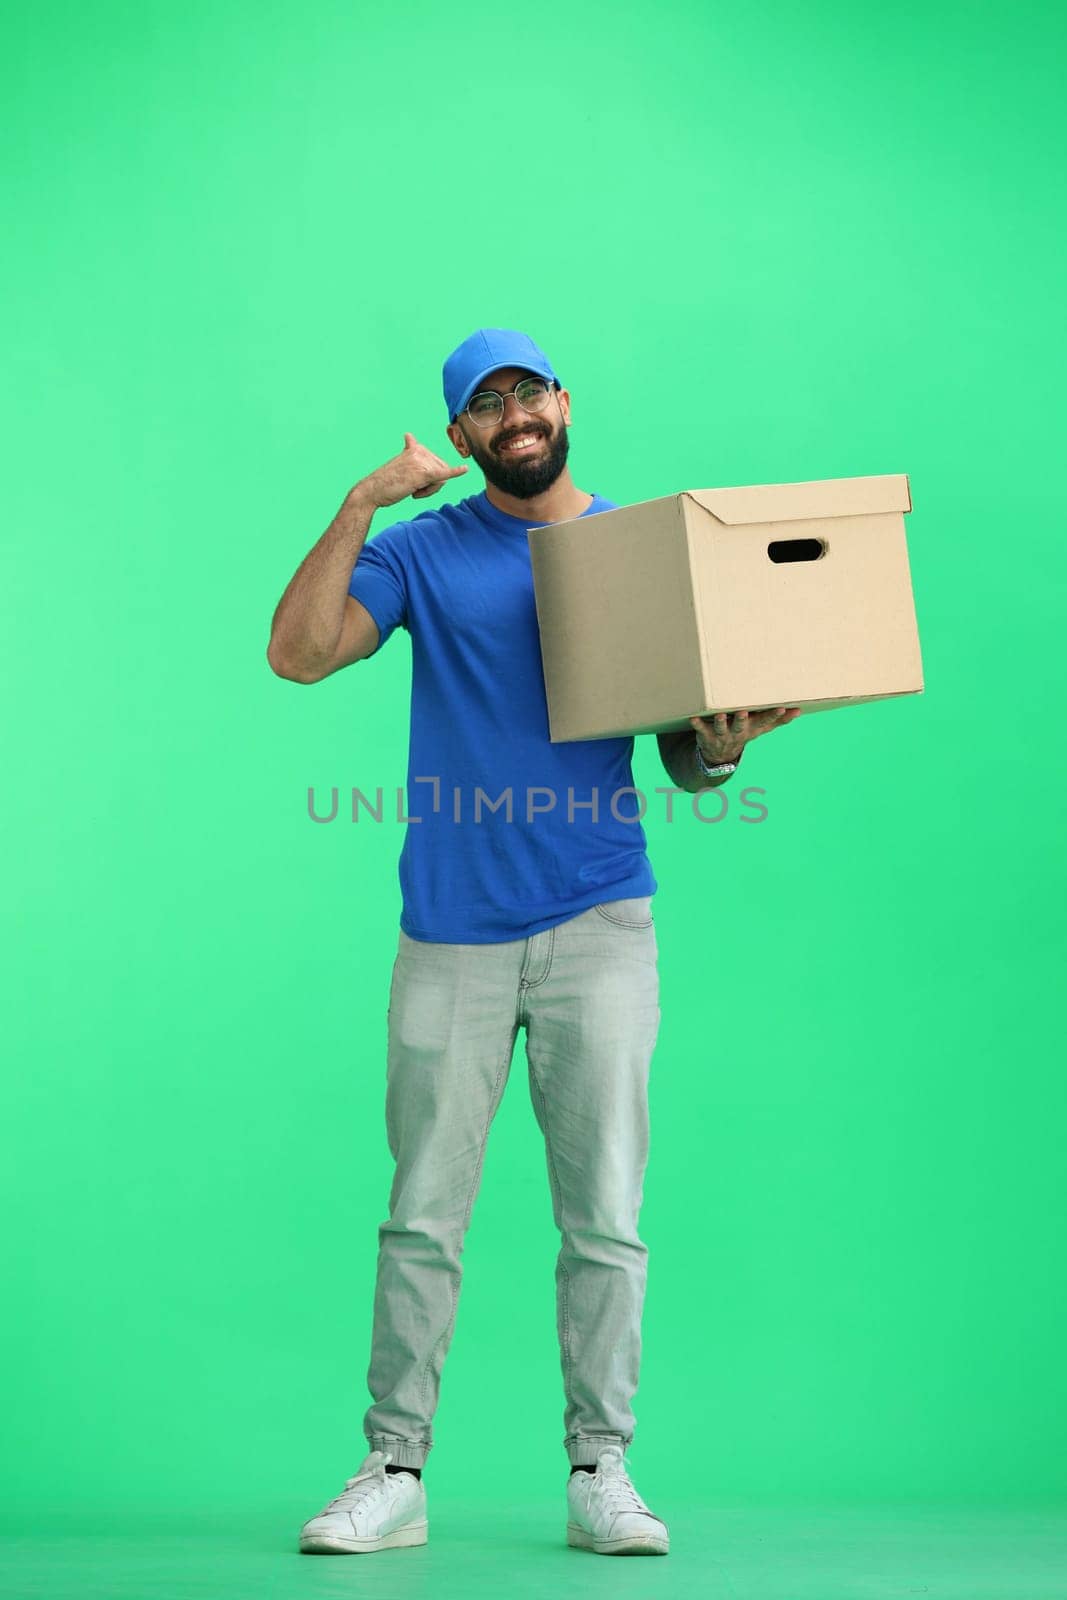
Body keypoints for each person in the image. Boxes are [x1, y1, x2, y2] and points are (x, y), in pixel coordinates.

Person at [266, 327, 800, 1558]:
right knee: (421, 1217)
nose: (510, 415)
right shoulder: (419, 552)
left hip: (598, 921)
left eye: (526, 392)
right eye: (482, 404)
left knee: (604, 1213)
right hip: (448, 930)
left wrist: (723, 741)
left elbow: (685, 749)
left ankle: (599, 1467)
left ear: (563, 403)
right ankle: (392, 1468)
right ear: (458, 437)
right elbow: (298, 655)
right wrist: (357, 501)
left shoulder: (634, 555)